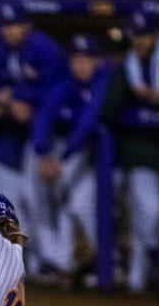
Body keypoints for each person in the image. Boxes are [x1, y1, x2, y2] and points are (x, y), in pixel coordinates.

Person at [101, 11, 159, 292]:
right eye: (135, 35)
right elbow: (109, 110)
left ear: (156, 34)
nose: (139, 41)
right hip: (139, 150)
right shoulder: (127, 67)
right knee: (148, 214)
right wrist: (140, 104)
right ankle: (150, 266)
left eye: (145, 34)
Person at [0, 2, 66, 273]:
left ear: (27, 25)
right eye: (6, 26)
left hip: (55, 133)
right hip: (27, 135)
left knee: (52, 197)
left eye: (16, 25)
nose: (11, 31)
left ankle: (59, 258)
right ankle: (48, 259)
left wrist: (19, 100)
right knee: (29, 196)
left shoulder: (44, 49)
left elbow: (57, 93)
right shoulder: (3, 51)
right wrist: (10, 101)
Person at [30, 33, 111, 282]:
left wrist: (61, 158)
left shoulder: (104, 81)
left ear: (97, 61)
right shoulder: (68, 83)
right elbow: (45, 114)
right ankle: (67, 263)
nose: (81, 64)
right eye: (77, 58)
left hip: (109, 161)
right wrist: (43, 152)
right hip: (79, 156)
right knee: (67, 202)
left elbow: (88, 122)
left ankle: (108, 260)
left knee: (81, 206)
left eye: (87, 58)